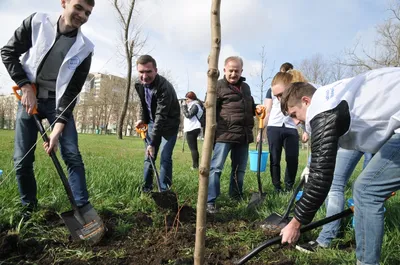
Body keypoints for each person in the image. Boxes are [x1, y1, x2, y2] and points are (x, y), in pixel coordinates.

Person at [278, 67, 400, 265]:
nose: (296, 121)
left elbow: (321, 178)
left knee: (366, 191)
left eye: (294, 114)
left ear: (306, 101)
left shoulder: (322, 108)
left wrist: (295, 223)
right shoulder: (334, 95)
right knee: (369, 189)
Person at [1, 0, 96, 219]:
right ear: (64, 3)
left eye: (88, 13)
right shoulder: (37, 22)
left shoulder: (86, 49)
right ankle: (29, 206)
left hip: (58, 102)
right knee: (21, 159)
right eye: (79, 8)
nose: (82, 15)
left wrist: (58, 128)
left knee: (71, 153)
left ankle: (82, 207)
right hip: (29, 97)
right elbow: (8, 52)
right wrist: (25, 86)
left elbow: (72, 90)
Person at [206, 56, 264, 214]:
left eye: (236, 71)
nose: (233, 74)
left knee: (239, 169)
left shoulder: (246, 87)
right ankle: (210, 200)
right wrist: (210, 134)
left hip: (243, 135)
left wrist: (256, 108)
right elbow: (209, 111)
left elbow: (248, 105)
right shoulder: (217, 87)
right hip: (224, 135)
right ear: (224, 70)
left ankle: (236, 195)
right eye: (230, 70)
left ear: (241, 71)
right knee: (216, 168)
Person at [296, 149, 372, 252]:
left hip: (367, 136)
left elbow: (324, 138)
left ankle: (325, 240)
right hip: (365, 137)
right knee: (339, 185)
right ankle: (338, 232)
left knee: (339, 186)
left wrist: (310, 164)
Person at [135, 55, 180, 192]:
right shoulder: (141, 85)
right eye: (141, 72)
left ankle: (164, 190)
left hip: (168, 126)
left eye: (148, 71)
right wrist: (142, 120)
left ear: (156, 70)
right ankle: (146, 188)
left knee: (165, 157)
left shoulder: (164, 88)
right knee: (149, 157)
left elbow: (161, 115)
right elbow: (144, 105)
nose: (144, 76)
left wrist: (152, 143)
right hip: (153, 124)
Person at [259, 68, 309, 192]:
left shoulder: (295, 91)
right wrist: (261, 130)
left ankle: (289, 186)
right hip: (274, 127)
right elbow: (267, 110)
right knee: (274, 158)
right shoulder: (271, 91)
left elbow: (302, 111)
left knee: (292, 158)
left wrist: (305, 130)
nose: (279, 98)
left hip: (291, 127)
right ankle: (277, 186)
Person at [181, 91, 203, 170]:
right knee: (194, 148)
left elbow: (188, 115)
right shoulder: (193, 105)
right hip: (192, 128)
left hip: (192, 128)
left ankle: (195, 166)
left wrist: (183, 107)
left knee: (193, 148)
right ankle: (195, 165)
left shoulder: (195, 105)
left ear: (191, 99)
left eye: (187, 99)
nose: (186, 101)